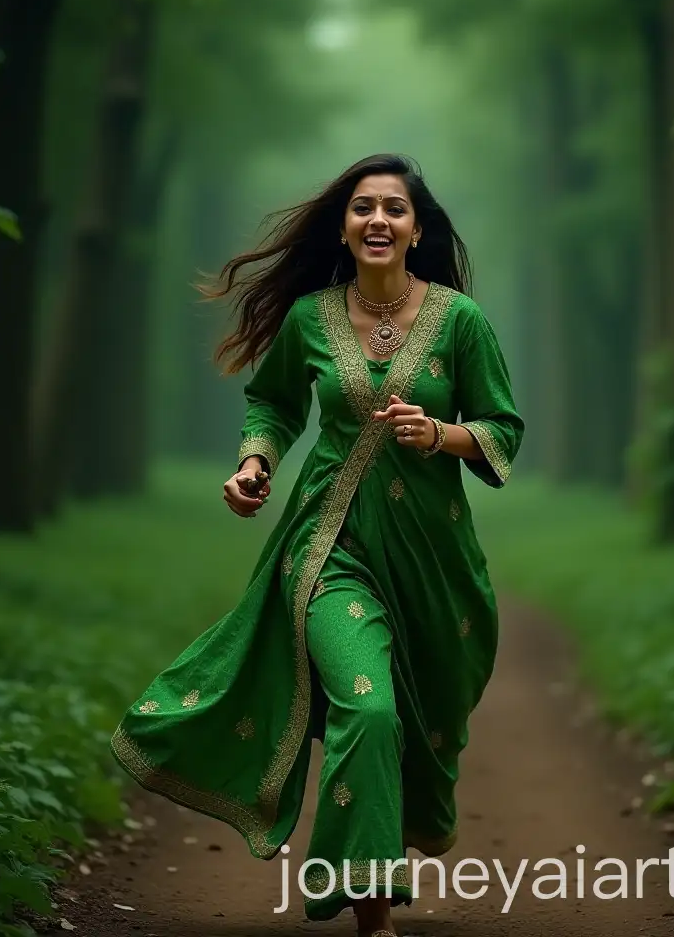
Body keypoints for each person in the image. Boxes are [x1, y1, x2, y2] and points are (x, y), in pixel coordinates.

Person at [110, 153, 525, 936]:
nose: (377, 219)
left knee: (420, 718)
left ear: (416, 229)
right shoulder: (310, 319)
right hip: (330, 547)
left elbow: (503, 428)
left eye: (394, 209)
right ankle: (371, 910)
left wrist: (440, 433)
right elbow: (270, 407)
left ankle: (399, 825)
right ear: (344, 225)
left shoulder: (460, 322)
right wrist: (253, 465)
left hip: (435, 562)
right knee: (367, 712)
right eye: (363, 206)